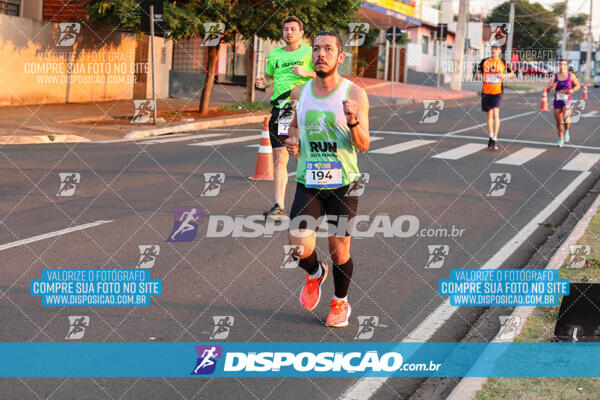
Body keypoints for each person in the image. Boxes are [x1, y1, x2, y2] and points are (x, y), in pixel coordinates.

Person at [284, 31, 370, 328]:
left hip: (345, 183)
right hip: (309, 179)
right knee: (298, 245)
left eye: (328, 49)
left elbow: (364, 144)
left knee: (339, 250)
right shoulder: (300, 93)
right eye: (317, 48)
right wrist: (292, 140)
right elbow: (294, 126)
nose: (321, 53)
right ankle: (314, 274)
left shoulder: (355, 94)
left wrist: (353, 120)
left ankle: (340, 302)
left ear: (340, 57)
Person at [256, 16, 315, 221]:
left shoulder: (309, 51)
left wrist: (305, 72)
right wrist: (263, 82)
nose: (288, 32)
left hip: (300, 108)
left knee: (302, 156)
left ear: (301, 33)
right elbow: (270, 78)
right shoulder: (274, 54)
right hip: (280, 109)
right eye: (286, 29)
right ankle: (279, 206)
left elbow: (324, 74)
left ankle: (313, 202)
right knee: (281, 157)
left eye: (293, 29)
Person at [476, 44, 515, 151]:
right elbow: (477, 74)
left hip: (498, 91)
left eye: (495, 50)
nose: (493, 51)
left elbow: (512, 74)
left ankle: (495, 139)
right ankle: (491, 135)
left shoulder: (503, 62)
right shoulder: (484, 61)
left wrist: (504, 76)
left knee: (495, 113)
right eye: (492, 50)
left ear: (499, 51)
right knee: (489, 115)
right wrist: (481, 77)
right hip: (486, 91)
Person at [547, 59, 580, 147]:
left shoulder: (571, 76)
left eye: (564, 64)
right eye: (560, 64)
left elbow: (578, 85)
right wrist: (551, 87)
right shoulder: (555, 76)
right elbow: (548, 90)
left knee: (566, 118)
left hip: (567, 99)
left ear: (566, 66)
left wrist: (572, 90)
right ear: (559, 66)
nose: (562, 66)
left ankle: (567, 131)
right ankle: (561, 139)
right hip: (557, 100)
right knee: (558, 122)